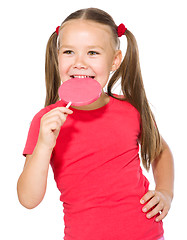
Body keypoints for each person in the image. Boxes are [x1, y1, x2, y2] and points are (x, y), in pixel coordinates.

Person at [17, 8, 174, 240]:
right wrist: (43, 145)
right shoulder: (46, 121)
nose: (79, 63)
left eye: (93, 53)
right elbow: (28, 199)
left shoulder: (132, 109)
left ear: (115, 61)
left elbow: (159, 150)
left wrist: (165, 192)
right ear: (57, 56)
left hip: (148, 235)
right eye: (69, 51)